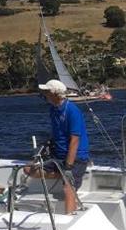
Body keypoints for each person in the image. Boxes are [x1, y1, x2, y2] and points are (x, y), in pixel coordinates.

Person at [24, 78, 89, 214]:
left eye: (47, 92)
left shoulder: (72, 111)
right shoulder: (53, 110)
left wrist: (69, 166)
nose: (44, 95)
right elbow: (57, 132)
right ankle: (61, 175)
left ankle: (69, 216)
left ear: (54, 94)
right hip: (58, 156)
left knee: (68, 188)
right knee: (29, 169)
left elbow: (74, 140)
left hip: (75, 157)